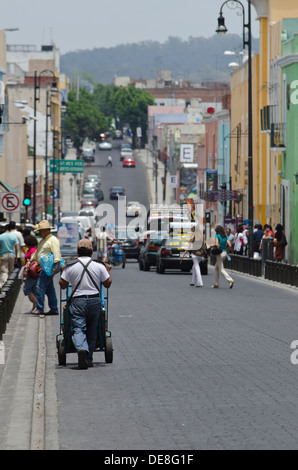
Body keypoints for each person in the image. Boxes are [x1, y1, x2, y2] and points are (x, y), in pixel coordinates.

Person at [59, 239, 112, 369]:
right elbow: (107, 283)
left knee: (78, 328)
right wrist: (108, 270)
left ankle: (81, 349)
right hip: (95, 301)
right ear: (91, 251)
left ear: (77, 251)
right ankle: (88, 359)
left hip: (78, 301)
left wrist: (63, 271)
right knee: (92, 330)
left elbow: (62, 285)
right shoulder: (99, 266)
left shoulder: (70, 266)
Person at [29, 220, 62, 315]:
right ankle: (54, 308)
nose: (39, 233)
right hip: (44, 267)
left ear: (46, 230)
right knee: (49, 289)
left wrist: (56, 266)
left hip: (48, 267)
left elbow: (57, 253)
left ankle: (40, 308)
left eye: (41, 231)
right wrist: (32, 260)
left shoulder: (53, 240)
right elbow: (37, 252)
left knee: (39, 287)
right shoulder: (44, 240)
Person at [23, 234, 38, 314]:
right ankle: (34, 308)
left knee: (27, 289)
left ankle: (36, 304)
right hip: (32, 273)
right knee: (33, 290)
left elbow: (32, 261)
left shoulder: (32, 250)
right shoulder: (31, 249)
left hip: (32, 273)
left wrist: (26, 269)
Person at [0, 224, 18, 288]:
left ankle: (3, 282)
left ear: (4, 229)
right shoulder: (13, 236)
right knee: (11, 270)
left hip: (3, 255)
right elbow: (16, 247)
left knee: (4, 271)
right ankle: (9, 285)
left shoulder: (1, 236)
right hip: (11, 254)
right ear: (10, 229)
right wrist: (16, 257)